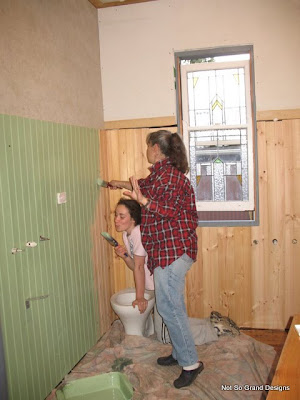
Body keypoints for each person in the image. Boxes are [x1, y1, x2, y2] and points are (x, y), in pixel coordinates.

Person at [109, 129, 204, 389]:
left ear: (156, 149)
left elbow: (169, 211)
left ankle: (190, 364)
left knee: (170, 308)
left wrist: (144, 201)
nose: (146, 150)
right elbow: (142, 186)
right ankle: (179, 352)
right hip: (166, 252)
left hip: (174, 252)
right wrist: (120, 184)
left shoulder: (171, 178)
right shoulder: (161, 175)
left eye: (148, 146)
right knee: (172, 306)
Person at [114, 198, 153, 314]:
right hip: (148, 283)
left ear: (133, 219)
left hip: (158, 282)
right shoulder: (126, 234)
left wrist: (140, 297)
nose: (116, 220)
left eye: (121, 216)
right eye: (116, 215)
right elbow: (135, 266)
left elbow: (139, 267)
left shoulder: (138, 232)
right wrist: (125, 256)